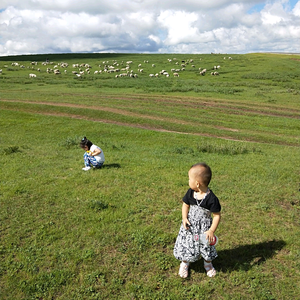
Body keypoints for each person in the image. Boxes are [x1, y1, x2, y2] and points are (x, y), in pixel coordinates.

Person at [173, 162, 221, 278]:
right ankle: (185, 263)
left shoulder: (211, 199)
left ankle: (207, 264)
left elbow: (217, 216)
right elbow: (185, 205)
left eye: (189, 179)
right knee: (187, 244)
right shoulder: (191, 193)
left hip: (204, 229)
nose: (188, 181)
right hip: (190, 226)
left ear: (197, 183)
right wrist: (184, 218)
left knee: (206, 246)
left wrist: (211, 230)